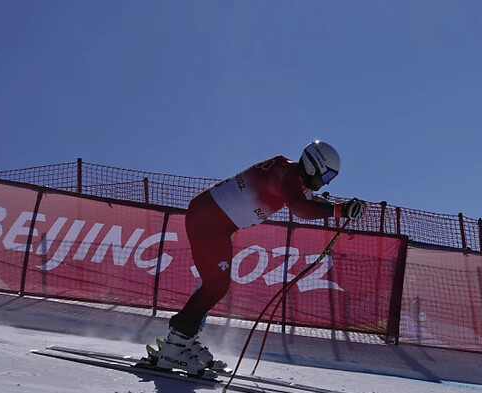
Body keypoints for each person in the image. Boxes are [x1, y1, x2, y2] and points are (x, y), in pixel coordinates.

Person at [148, 140, 366, 376]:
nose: (325, 184)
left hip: (215, 221)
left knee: (212, 285)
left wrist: (342, 207)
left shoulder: (293, 176)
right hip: (210, 220)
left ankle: (181, 339)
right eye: (327, 177)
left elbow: (309, 202)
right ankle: (175, 346)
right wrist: (339, 210)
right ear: (314, 166)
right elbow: (301, 209)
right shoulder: (289, 175)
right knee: (215, 285)